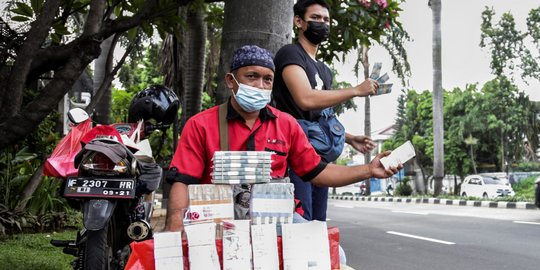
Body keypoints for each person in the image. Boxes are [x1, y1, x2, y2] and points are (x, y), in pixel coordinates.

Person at [165, 44, 400, 232]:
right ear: (231, 81)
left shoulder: (286, 125)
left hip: (277, 221)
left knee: (335, 256)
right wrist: (175, 233)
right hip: (217, 222)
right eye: (251, 76)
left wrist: (369, 169)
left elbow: (319, 172)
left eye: (267, 79)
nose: (260, 85)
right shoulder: (201, 125)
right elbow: (182, 182)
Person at [272, 0, 378, 221]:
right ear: (299, 22)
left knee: (318, 223)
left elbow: (321, 116)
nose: (323, 23)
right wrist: (356, 90)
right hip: (295, 156)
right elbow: (306, 99)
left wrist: (349, 139)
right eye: (316, 18)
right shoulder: (290, 54)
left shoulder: (323, 70)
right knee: (301, 223)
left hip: (319, 159)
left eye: (326, 19)